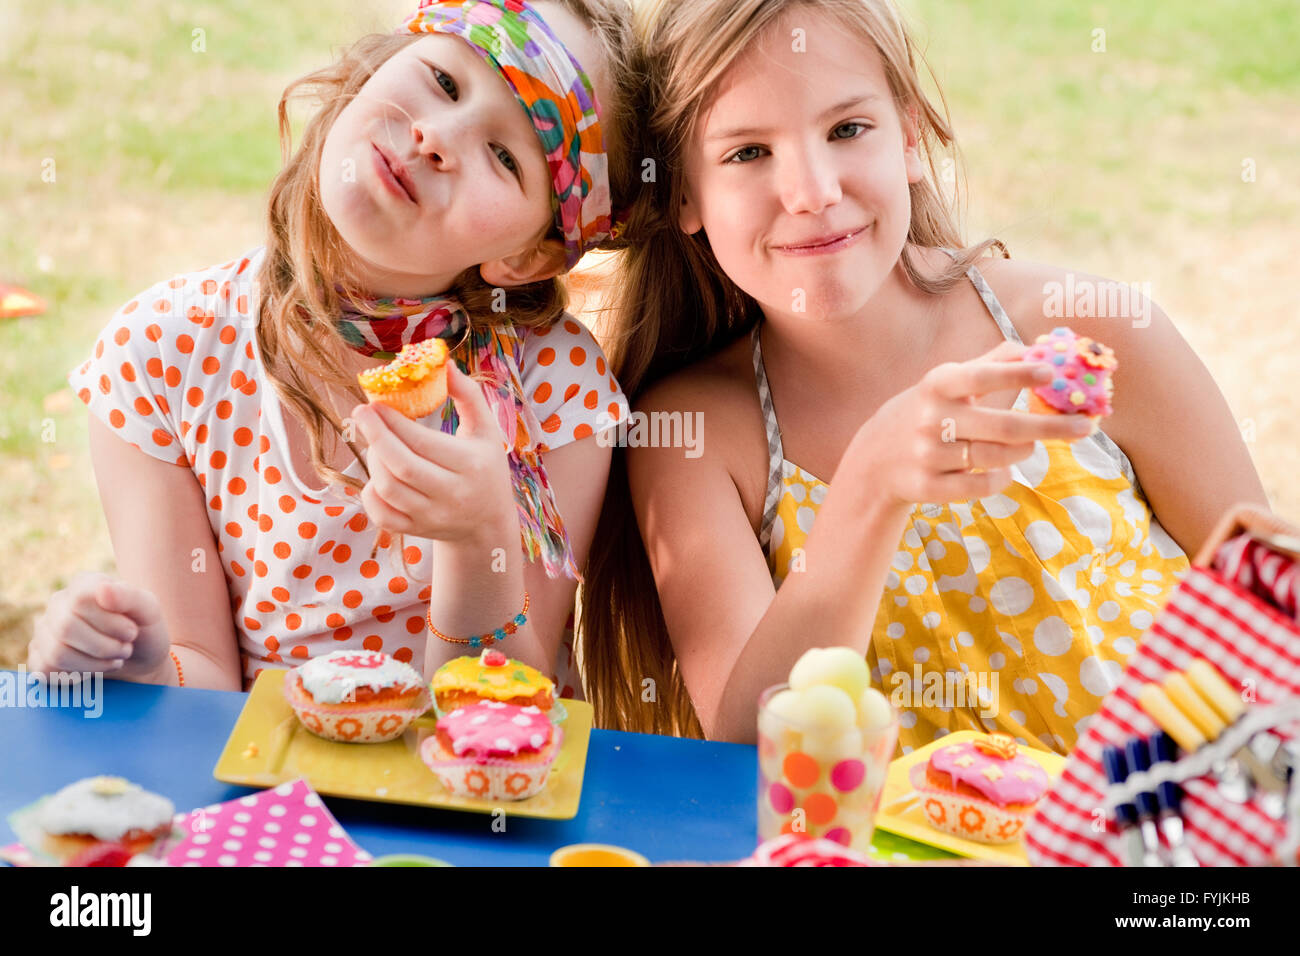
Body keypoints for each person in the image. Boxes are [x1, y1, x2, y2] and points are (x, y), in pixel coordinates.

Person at [579, 0, 1269, 753]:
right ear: (683, 192)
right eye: (747, 153)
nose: (812, 193)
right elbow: (754, 751)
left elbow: (1268, 606)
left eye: (847, 130)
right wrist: (871, 491)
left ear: (909, 137)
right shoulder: (698, 437)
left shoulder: (1083, 328)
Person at [30, 0, 636, 694]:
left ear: (527, 258)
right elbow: (200, 676)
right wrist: (135, 664)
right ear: (377, 69)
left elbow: (510, 713)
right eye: (443, 81)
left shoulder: (554, 387)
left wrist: (478, 541)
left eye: (505, 157)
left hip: (459, 795)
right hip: (258, 794)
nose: (436, 136)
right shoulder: (163, 352)